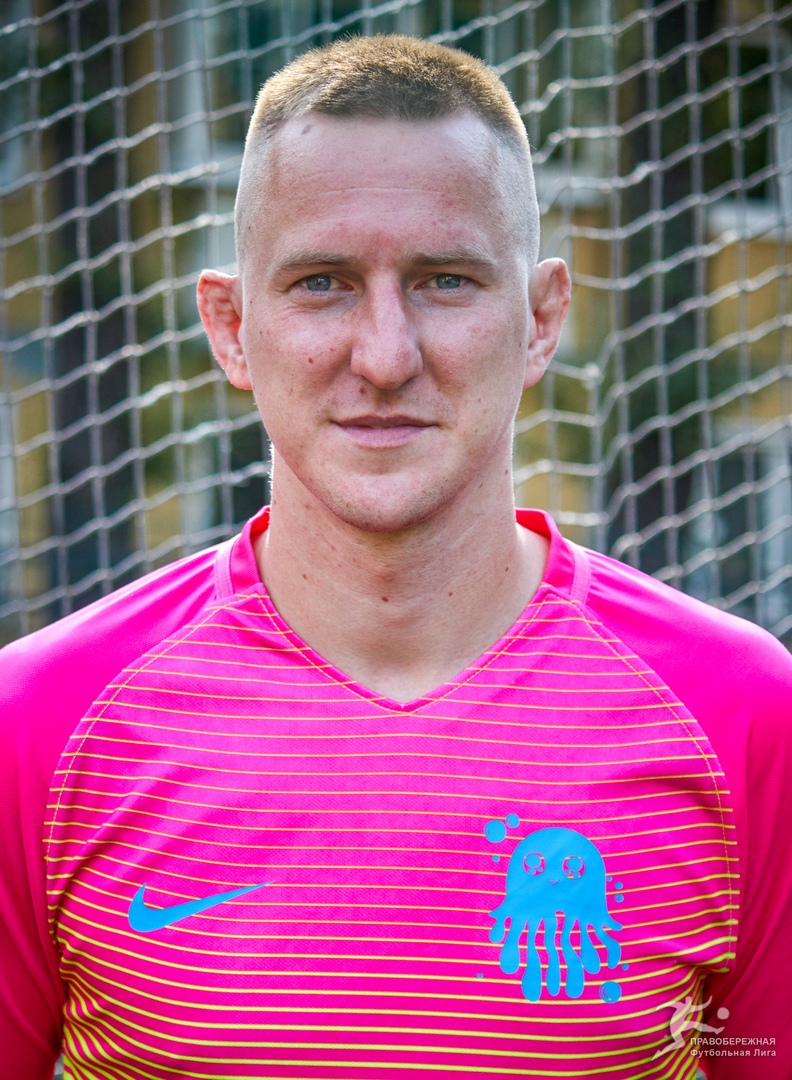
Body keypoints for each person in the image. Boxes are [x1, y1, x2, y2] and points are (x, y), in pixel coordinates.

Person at [1, 34, 790, 1080]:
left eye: (445, 281)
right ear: (231, 328)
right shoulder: (40, 724)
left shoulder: (742, 714)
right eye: (323, 283)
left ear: (541, 319)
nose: (384, 356)